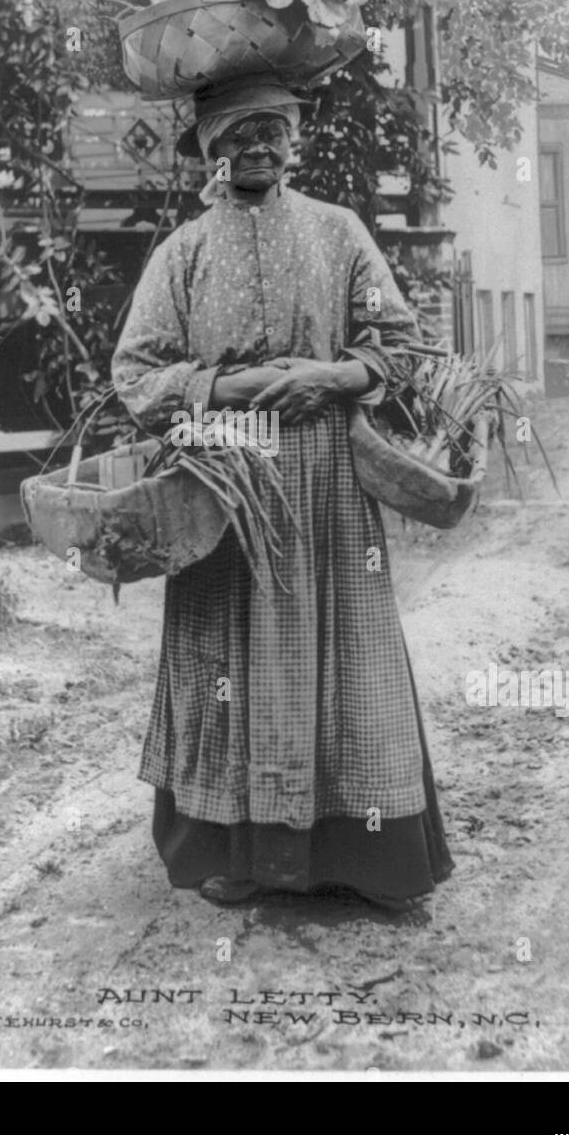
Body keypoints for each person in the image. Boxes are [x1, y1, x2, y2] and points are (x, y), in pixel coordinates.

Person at [111, 75, 452, 909]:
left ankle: (363, 856)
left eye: (274, 131)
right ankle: (235, 851)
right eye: (239, 134)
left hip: (329, 481)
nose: (259, 147)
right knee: (228, 656)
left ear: (295, 142)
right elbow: (136, 373)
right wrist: (226, 389)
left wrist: (333, 375)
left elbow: (401, 345)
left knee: (348, 658)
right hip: (224, 485)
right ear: (209, 148)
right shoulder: (182, 254)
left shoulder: (339, 236)